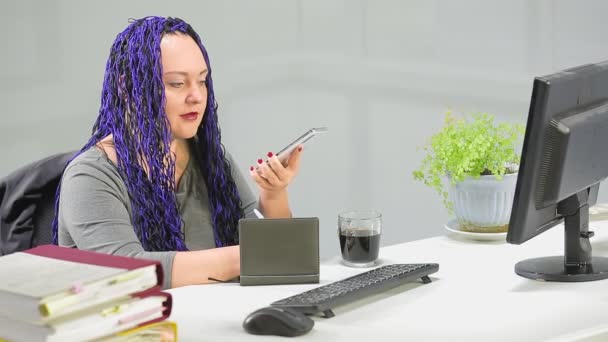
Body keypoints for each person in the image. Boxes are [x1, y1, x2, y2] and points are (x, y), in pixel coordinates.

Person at [52, 16, 302, 289]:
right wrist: (246, 257)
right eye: (176, 84)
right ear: (127, 87)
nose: (196, 96)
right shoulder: (90, 176)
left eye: (203, 81)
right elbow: (126, 271)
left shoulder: (211, 158)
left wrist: (274, 192)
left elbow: (275, 252)